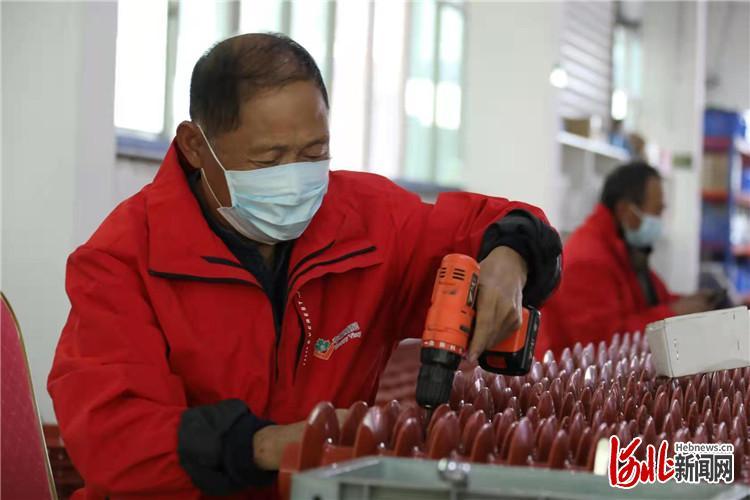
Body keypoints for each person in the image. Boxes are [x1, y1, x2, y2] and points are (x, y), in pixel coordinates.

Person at [48, 33, 562, 499]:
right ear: (196, 146)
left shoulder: (369, 221)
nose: (295, 179)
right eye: (268, 160)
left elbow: (496, 223)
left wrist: (511, 257)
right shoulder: (124, 261)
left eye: (315, 152)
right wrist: (266, 445)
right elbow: (111, 434)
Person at [537, 162, 722, 356]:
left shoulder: (624, 250)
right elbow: (604, 345)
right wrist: (673, 314)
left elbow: (651, 301)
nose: (660, 221)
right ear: (625, 210)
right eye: (657, 212)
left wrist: (689, 304)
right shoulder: (589, 261)